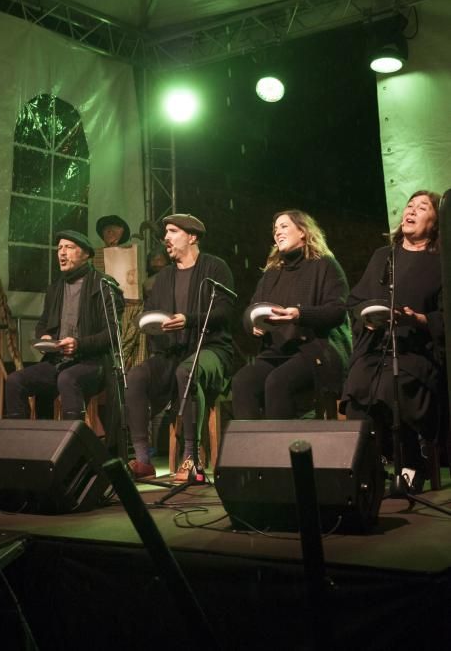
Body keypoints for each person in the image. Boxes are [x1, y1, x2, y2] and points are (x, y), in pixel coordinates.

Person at [341, 190, 445, 492]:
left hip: (418, 350)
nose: (410, 211)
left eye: (422, 207)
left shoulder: (440, 262)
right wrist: (367, 316)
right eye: (409, 205)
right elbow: (356, 300)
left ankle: (413, 462)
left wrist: (419, 319)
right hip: (378, 345)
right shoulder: (383, 256)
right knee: (359, 385)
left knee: (391, 385)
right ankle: (368, 469)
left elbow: (445, 315)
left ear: (436, 222)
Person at [125, 213, 234, 481]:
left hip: (211, 350)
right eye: (166, 232)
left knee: (187, 372)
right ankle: (142, 460)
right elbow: (149, 312)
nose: (166, 238)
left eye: (173, 231)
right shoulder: (163, 277)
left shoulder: (215, 268)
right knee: (136, 376)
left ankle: (191, 458)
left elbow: (225, 311)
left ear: (192, 237)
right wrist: (149, 323)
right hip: (172, 353)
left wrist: (189, 321)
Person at [232, 209, 351, 420]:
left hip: (316, 351)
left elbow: (337, 311)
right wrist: (253, 325)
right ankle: (254, 450)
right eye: (275, 229)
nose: (277, 232)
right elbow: (251, 309)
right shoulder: (272, 273)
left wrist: (300, 315)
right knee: (243, 381)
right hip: (278, 352)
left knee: (278, 382)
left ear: (303, 232)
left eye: (284, 226)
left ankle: (281, 451)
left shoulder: (324, 264)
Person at [5, 230, 124, 428]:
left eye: (69, 247)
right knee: (15, 381)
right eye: (59, 248)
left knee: (67, 379)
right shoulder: (55, 288)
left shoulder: (102, 285)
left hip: (93, 363)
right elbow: (43, 324)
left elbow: (112, 333)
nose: (62, 253)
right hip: (58, 361)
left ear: (86, 254)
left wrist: (79, 344)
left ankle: (72, 450)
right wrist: (44, 338)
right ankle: (23, 443)